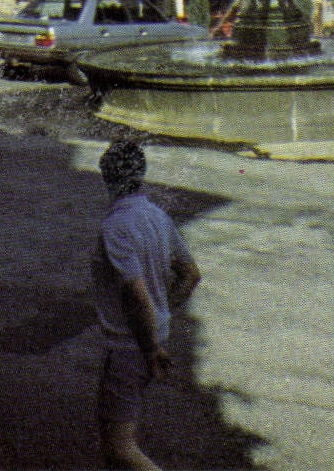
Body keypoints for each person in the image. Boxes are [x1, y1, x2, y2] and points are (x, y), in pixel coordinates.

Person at [91, 140, 201, 471]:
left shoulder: (116, 226)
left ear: (108, 179)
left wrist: (150, 346)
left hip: (130, 347)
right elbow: (190, 274)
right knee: (112, 431)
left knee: (119, 448)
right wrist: (162, 312)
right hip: (147, 341)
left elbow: (135, 293)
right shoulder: (157, 217)